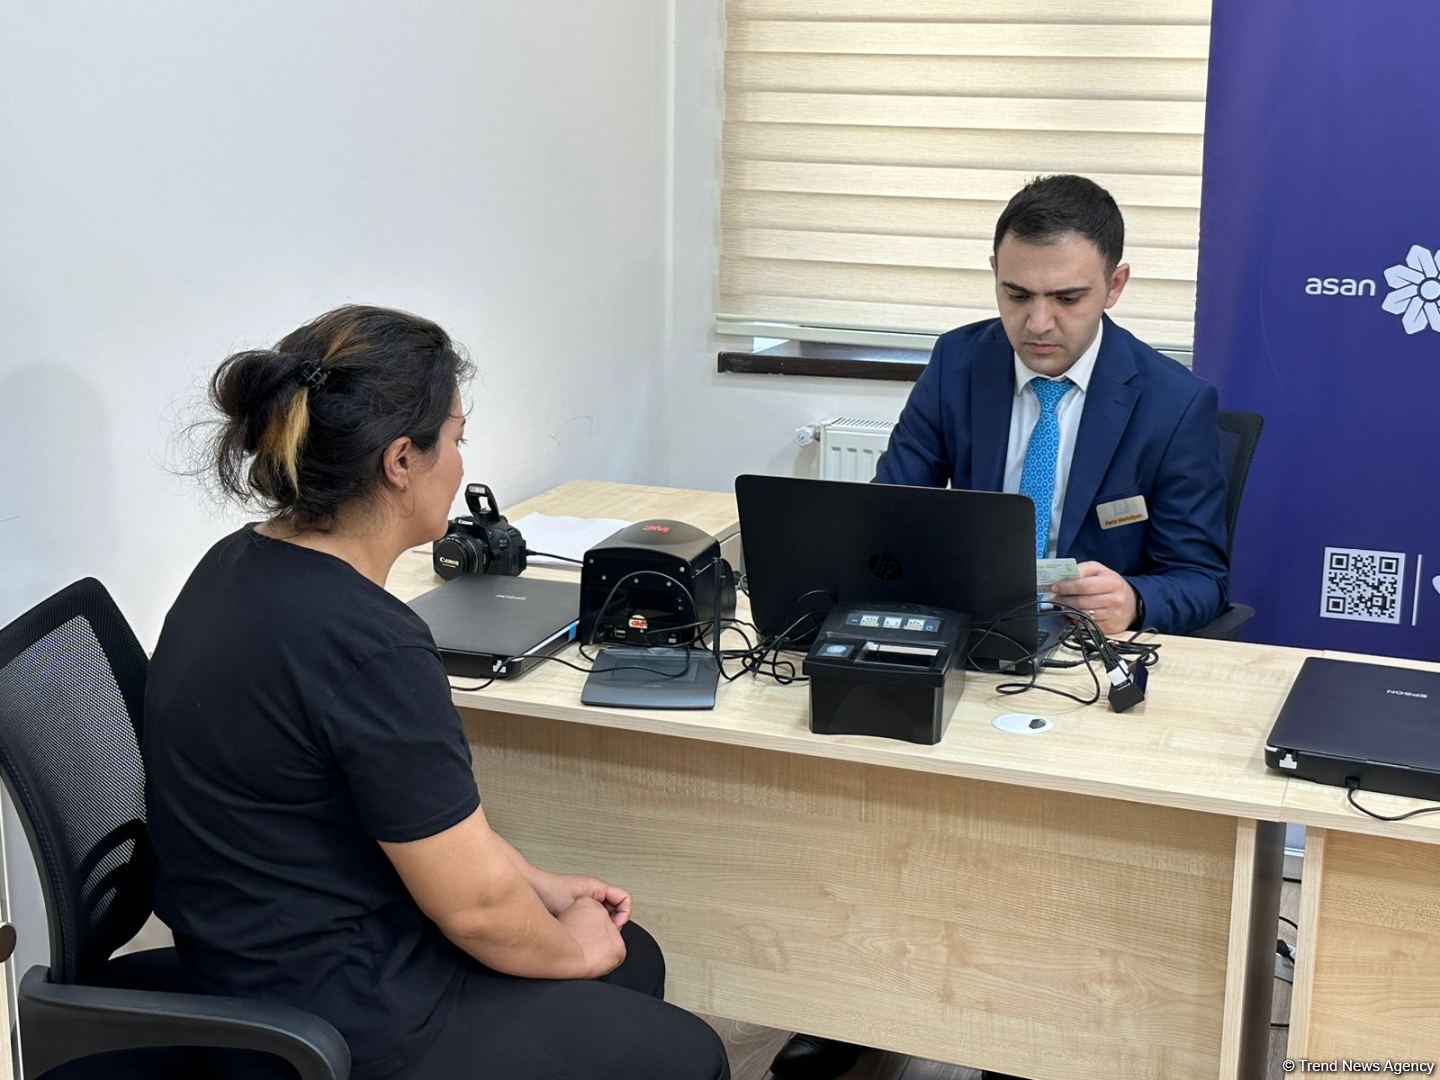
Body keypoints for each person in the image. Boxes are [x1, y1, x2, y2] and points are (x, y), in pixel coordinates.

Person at [145, 305, 731, 1080]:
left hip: (249, 957)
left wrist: (541, 888)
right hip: (340, 1017)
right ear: (400, 461)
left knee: (632, 958)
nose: (458, 462)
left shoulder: (234, 563)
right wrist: (572, 946)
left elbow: (420, 825)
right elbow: (475, 910)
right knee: (689, 1054)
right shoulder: (370, 644)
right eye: (456, 439)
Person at [768, 176, 1229, 1080]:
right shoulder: (960, 362)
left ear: (1116, 285)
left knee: (1037, 852)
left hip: (1080, 661)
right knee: (857, 784)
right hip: (966, 636)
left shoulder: (1173, 403)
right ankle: (853, 995)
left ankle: (1027, 1028)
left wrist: (1136, 601)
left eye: (1067, 298)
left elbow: (1203, 580)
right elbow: (889, 511)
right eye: (1015, 294)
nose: (1037, 322)